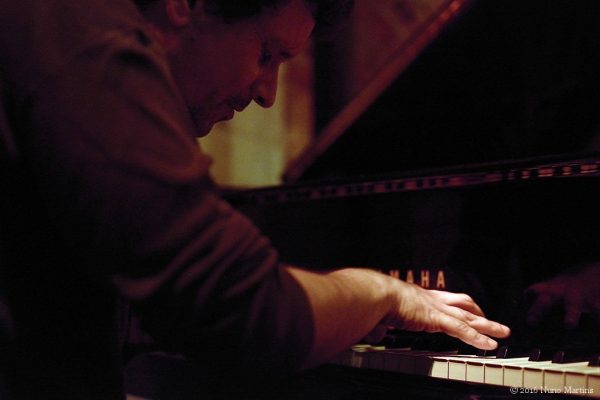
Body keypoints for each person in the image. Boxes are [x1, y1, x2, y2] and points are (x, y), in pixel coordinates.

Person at [0, 0, 510, 398]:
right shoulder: (81, 37)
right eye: (267, 52)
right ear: (185, 5)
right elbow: (249, 313)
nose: (268, 93)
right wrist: (381, 291)